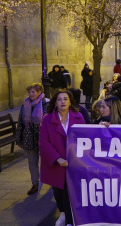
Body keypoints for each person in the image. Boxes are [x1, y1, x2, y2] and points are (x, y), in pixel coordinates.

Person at [39, 90, 85, 226]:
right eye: (59, 99)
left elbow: (85, 137)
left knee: (69, 191)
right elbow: (43, 143)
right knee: (58, 190)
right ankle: (63, 213)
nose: (62, 102)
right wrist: (58, 159)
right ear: (55, 102)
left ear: (70, 101)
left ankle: (70, 220)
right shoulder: (47, 119)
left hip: (73, 162)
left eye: (65, 99)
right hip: (55, 162)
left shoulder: (78, 116)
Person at [16, 83, 50, 195]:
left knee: (48, 161)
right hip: (29, 137)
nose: (30, 94)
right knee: (32, 162)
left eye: (33, 92)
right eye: (29, 92)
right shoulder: (25, 104)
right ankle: (35, 183)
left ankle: (51, 181)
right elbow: (20, 122)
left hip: (44, 137)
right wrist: (19, 139)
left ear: (39, 92)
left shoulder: (47, 104)